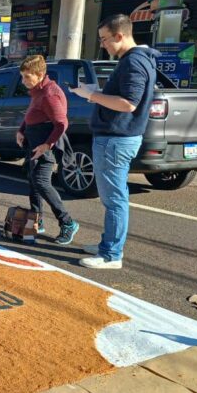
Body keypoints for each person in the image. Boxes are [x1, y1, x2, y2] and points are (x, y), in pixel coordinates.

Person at [71, 14, 158, 269]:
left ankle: (111, 255)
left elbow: (128, 103)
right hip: (117, 138)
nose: (103, 45)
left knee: (114, 199)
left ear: (120, 35)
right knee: (113, 197)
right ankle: (107, 245)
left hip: (116, 139)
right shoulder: (138, 60)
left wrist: (92, 95)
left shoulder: (133, 63)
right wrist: (95, 94)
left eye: (105, 39)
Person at [15, 55, 79, 245]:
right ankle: (37, 220)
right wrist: (21, 130)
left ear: (40, 74)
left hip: (45, 145)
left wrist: (46, 145)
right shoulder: (37, 91)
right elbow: (31, 115)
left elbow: (61, 124)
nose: (24, 81)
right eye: (23, 76)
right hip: (34, 143)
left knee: (42, 182)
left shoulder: (50, 94)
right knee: (33, 181)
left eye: (27, 76)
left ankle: (68, 222)